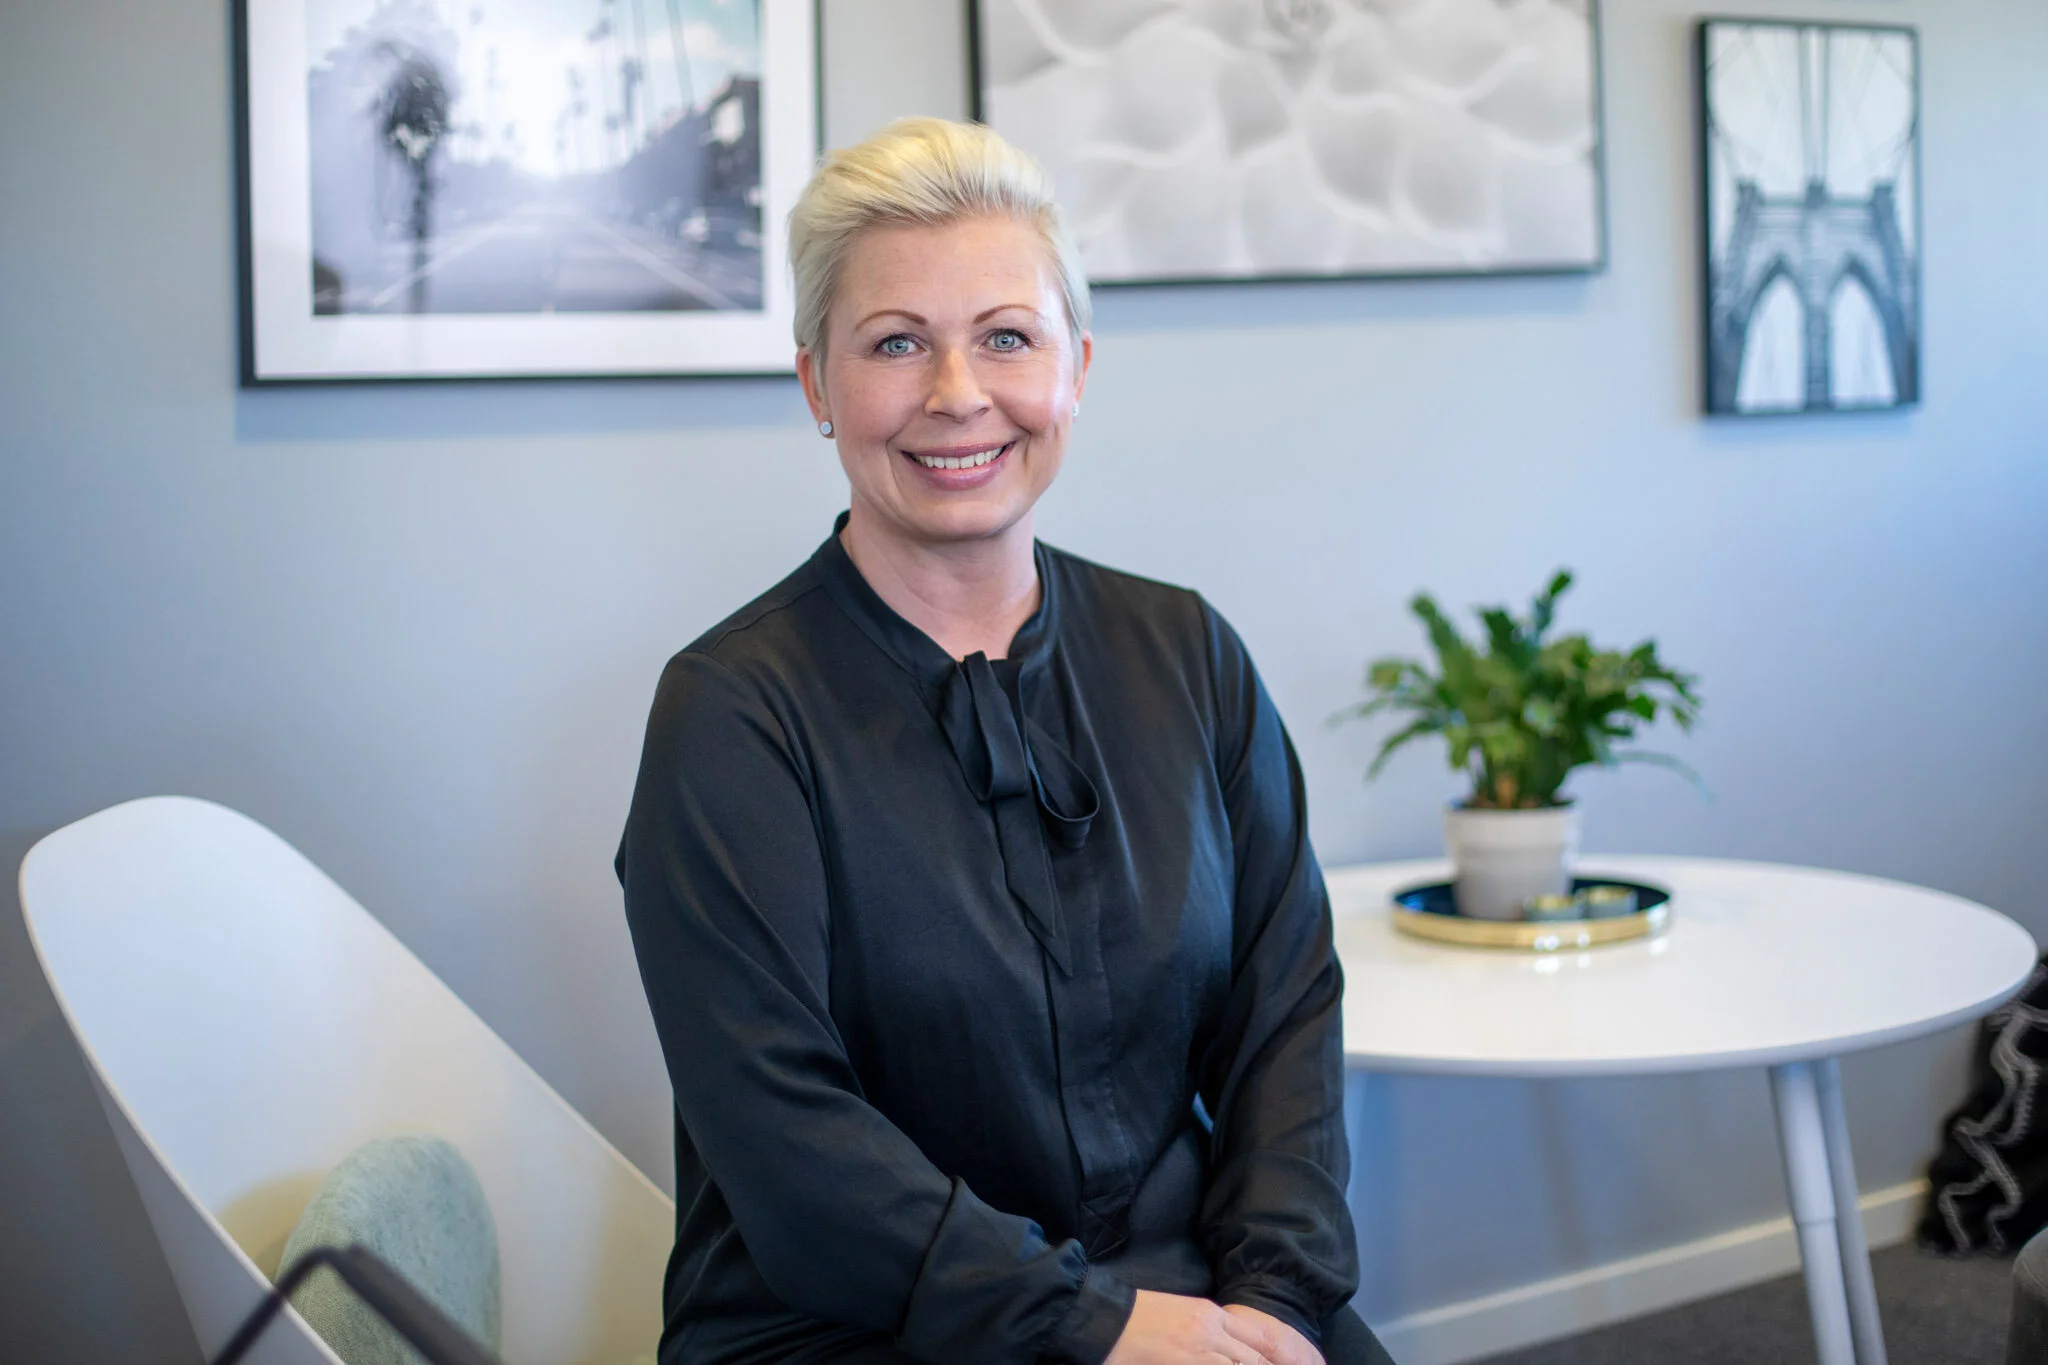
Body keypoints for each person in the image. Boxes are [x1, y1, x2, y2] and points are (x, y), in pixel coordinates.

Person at [617, 117, 1392, 1365]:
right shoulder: (729, 714)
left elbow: (1283, 1012)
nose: (956, 394)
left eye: (1005, 338)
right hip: (847, 1325)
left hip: (1188, 1285)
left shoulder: (1185, 651)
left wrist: (1277, 1295)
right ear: (817, 385)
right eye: (895, 343)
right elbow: (786, 1139)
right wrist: (1096, 1328)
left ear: (1074, 368)